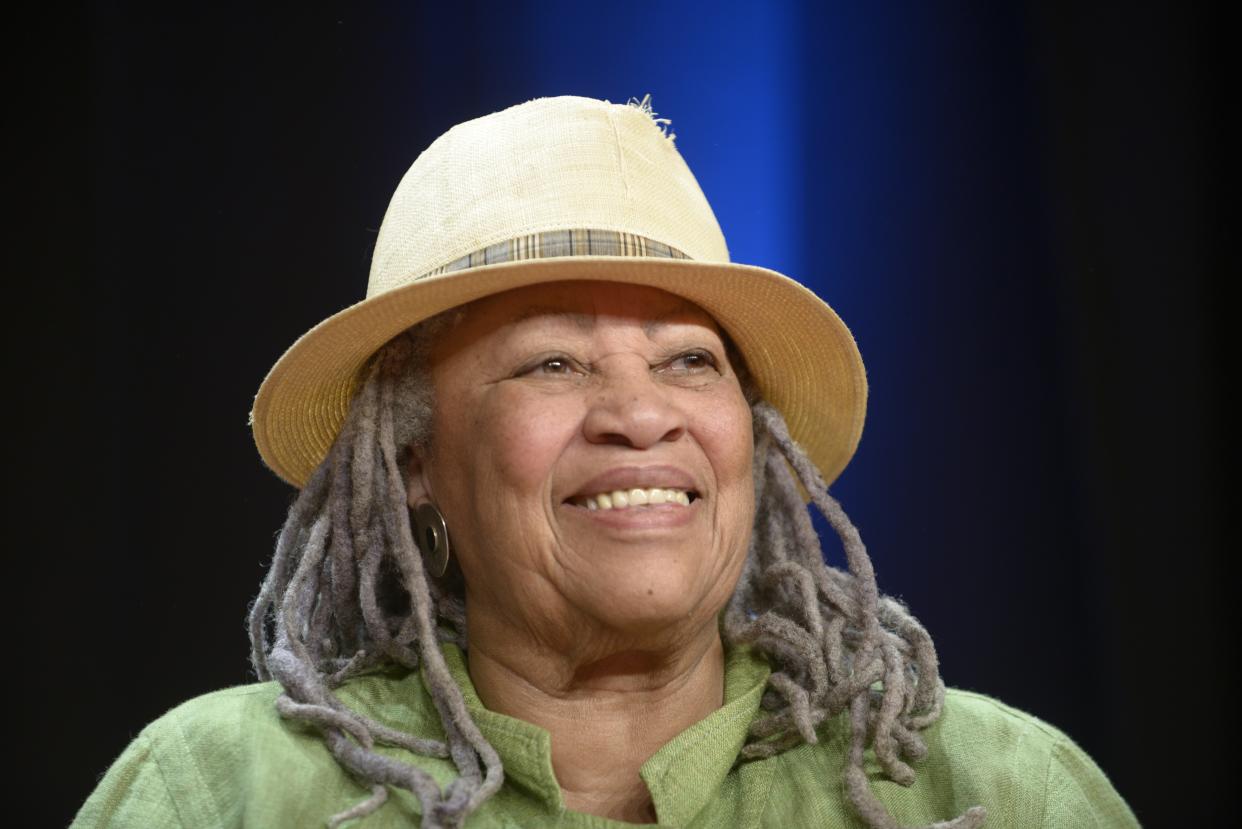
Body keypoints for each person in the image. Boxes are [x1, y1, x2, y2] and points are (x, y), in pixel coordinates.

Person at [74, 95, 1138, 829]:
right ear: (412, 455)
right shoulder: (225, 794)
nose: (640, 413)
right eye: (552, 362)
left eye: (688, 360)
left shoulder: (999, 792)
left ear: (752, 439)